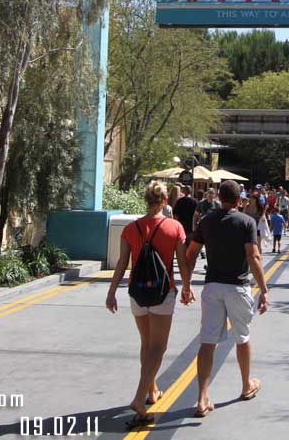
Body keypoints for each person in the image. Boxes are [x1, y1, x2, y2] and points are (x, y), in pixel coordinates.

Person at [106, 182, 191, 429]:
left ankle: (152, 391)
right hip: (162, 292)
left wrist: (111, 293)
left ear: (146, 200)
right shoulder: (174, 226)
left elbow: (123, 263)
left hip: (137, 292)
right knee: (159, 346)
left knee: (147, 343)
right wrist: (186, 286)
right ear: (165, 200)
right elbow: (182, 262)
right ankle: (139, 397)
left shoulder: (131, 229)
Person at [185, 180, 269, 418]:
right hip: (238, 286)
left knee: (207, 341)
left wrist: (188, 284)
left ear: (220, 197)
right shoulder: (246, 222)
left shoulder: (206, 221)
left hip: (212, 286)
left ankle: (202, 397)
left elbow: (191, 254)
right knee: (242, 338)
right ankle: (245, 385)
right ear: (239, 199)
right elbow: (253, 257)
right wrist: (264, 290)